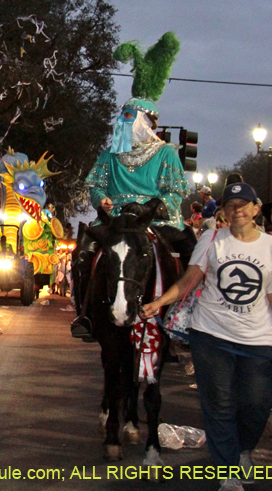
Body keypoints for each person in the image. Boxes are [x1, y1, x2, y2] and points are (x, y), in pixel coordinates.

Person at [142, 183, 272, 491]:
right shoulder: (211, 239)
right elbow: (190, 279)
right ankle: (228, 472)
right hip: (211, 335)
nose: (238, 210)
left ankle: (242, 448)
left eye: (244, 205)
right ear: (224, 211)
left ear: (256, 209)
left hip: (257, 340)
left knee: (257, 404)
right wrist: (158, 302)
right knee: (219, 404)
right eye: (231, 205)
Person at [73, 33, 191, 339]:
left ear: (144, 121)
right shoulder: (109, 154)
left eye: (128, 117)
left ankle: (188, 314)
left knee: (192, 252)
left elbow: (176, 191)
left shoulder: (165, 153)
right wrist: (102, 201)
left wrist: (149, 207)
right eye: (122, 116)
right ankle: (84, 316)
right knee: (83, 253)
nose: (122, 122)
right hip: (114, 220)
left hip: (154, 219)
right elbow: (95, 184)